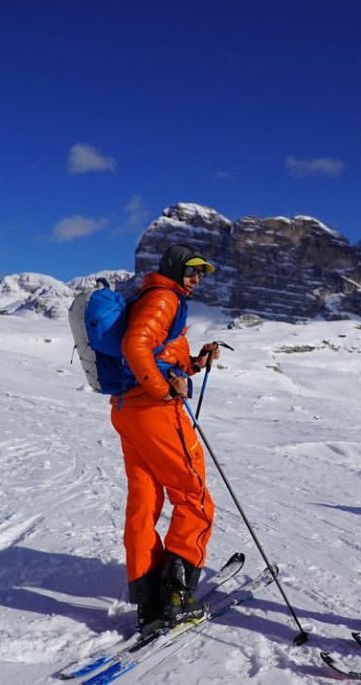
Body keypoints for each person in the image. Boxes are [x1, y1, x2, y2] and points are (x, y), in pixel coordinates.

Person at [110, 244, 222, 634]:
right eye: (191, 271)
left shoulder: (152, 297)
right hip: (155, 409)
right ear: (174, 269)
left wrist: (193, 364)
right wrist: (163, 389)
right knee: (194, 497)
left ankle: (149, 601)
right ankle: (176, 596)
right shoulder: (164, 298)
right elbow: (135, 346)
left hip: (129, 409)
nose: (196, 279)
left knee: (145, 499)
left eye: (201, 273)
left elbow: (154, 350)